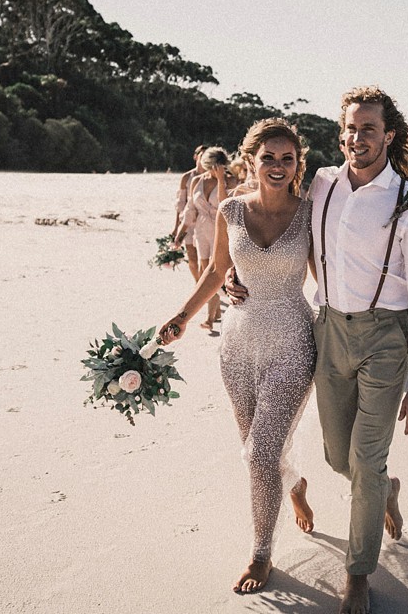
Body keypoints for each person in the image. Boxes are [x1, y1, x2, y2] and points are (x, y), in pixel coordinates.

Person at [228, 85, 408, 614]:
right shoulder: (322, 183)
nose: (356, 137)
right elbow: (274, 231)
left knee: (364, 463)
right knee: (337, 456)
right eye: (349, 127)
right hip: (326, 331)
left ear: (388, 135)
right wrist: (237, 273)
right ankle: (386, 489)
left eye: (368, 128)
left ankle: (359, 573)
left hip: (386, 338)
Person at [157, 118, 316, 595]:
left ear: (297, 165)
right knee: (257, 452)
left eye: (287, 159)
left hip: (292, 341)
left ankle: (261, 553)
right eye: (268, 157)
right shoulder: (229, 209)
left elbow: (330, 278)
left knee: (260, 453)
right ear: (251, 160)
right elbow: (214, 269)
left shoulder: (310, 213)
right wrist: (183, 317)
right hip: (238, 343)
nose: (278, 166)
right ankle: (294, 486)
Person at [184, 146, 238, 333]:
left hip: (220, 230)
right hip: (201, 230)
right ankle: (213, 313)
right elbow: (190, 208)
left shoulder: (231, 181)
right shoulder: (197, 181)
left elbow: (225, 205)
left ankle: (209, 318)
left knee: (216, 272)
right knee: (202, 272)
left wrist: (221, 180)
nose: (215, 170)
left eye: (219, 167)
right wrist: (181, 232)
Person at [172, 145, 206, 278]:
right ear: (195, 157)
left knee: (205, 257)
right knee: (192, 257)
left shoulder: (211, 177)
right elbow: (180, 203)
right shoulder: (187, 177)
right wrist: (176, 227)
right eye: (201, 155)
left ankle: (205, 287)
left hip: (205, 221)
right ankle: (198, 283)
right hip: (188, 221)